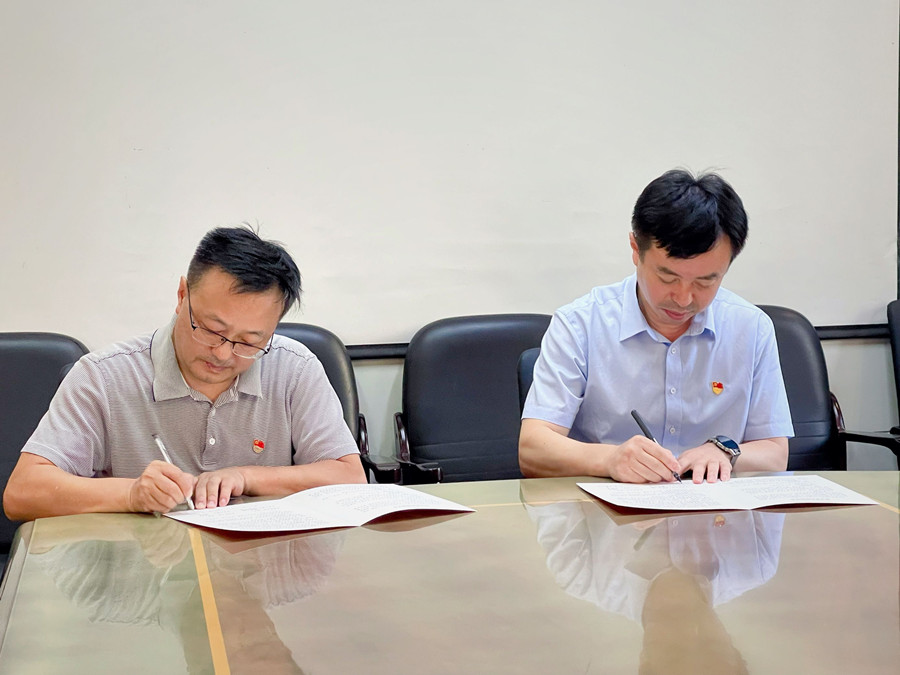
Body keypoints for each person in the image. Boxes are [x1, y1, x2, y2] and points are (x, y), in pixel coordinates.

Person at [4, 226, 365, 520]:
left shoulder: (295, 368)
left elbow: (349, 477)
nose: (223, 353)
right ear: (181, 295)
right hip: (142, 577)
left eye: (249, 342)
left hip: (261, 575)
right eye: (210, 329)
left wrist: (245, 477)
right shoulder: (103, 377)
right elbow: (22, 493)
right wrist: (131, 494)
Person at [519, 169, 793, 483]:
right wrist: (609, 459)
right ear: (636, 249)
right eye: (667, 277)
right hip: (606, 508)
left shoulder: (751, 328)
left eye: (705, 281)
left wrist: (726, 451)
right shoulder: (580, 324)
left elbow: (775, 452)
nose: (683, 298)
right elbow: (532, 449)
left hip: (714, 508)